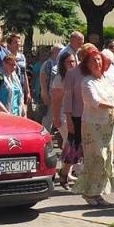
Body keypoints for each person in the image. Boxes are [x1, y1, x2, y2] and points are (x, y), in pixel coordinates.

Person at [74, 44, 114, 206]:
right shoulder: (87, 82)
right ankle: (89, 192)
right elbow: (94, 101)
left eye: (99, 60)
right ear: (87, 64)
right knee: (96, 157)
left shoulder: (106, 80)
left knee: (106, 159)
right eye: (93, 61)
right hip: (92, 125)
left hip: (107, 124)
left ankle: (98, 192)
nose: (97, 63)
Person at [48, 50, 79, 190]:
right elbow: (56, 101)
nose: (72, 64)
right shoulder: (59, 79)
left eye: (73, 61)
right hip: (63, 116)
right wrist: (56, 118)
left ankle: (66, 171)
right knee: (73, 145)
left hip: (76, 115)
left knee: (71, 145)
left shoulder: (77, 76)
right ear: (62, 64)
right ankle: (70, 172)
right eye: (68, 62)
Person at [0, 53, 25, 118]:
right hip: (3, 116)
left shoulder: (15, 77)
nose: (13, 67)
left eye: (14, 65)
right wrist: (6, 114)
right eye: (11, 65)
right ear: (4, 64)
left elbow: (20, 96)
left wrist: (23, 113)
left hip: (17, 115)